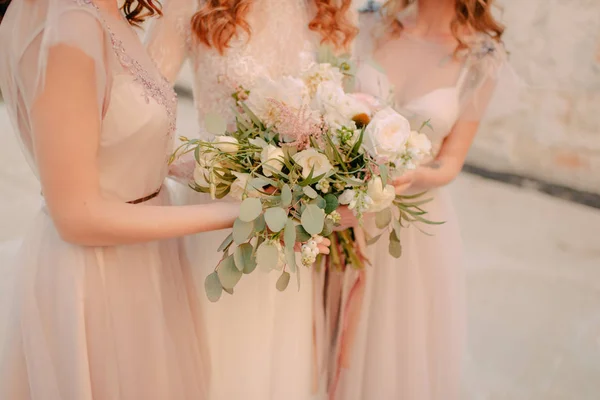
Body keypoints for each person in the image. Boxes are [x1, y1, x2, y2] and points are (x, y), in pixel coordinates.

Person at [0, 0, 323, 397]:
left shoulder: (108, 14)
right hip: (98, 275)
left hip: (147, 260)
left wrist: (233, 171)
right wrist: (236, 212)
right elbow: (76, 217)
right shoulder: (69, 25)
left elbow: (118, 140)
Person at [145, 1, 355, 398]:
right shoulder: (190, 5)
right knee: (212, 357)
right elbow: (141, 105)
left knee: (272, 361)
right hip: (216, 214)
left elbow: (342, 111)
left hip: (293, 222)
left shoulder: (328, 9)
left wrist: (340, 184)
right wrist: (193, 163)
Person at [324, 1, 509, 399]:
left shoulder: (483, 57)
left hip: (408, 229)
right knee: (323, 333)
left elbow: (451, 162)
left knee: (386, 351)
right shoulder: (369, 22)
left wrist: (415, 175)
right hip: (339, 208)